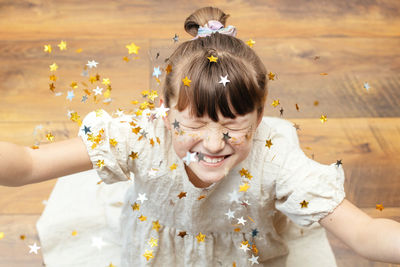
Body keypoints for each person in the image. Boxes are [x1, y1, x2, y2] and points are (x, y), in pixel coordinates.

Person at [1, 6, 399, 267]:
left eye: (233, 127)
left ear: (259, 116)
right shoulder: (141, 135)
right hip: (156, 251)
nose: (212, 144)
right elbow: (30, 164)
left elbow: (365, 234)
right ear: (164, 108)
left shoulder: (276, 157)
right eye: (192, 125)